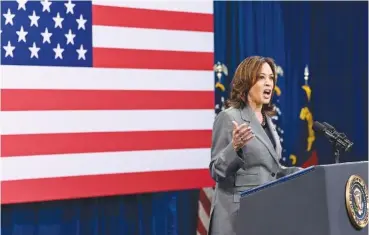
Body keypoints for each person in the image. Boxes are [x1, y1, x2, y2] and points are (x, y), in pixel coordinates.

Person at [208, 56, 302, 235]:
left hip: (263, 212)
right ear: (246, 81)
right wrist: (234, 147)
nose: (268, 83)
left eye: (271, 78)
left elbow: (270, 169)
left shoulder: (268, 121)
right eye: (261, 77)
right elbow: (216, 171)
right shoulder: (229, 117)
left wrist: (303, 173)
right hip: (236, 217)